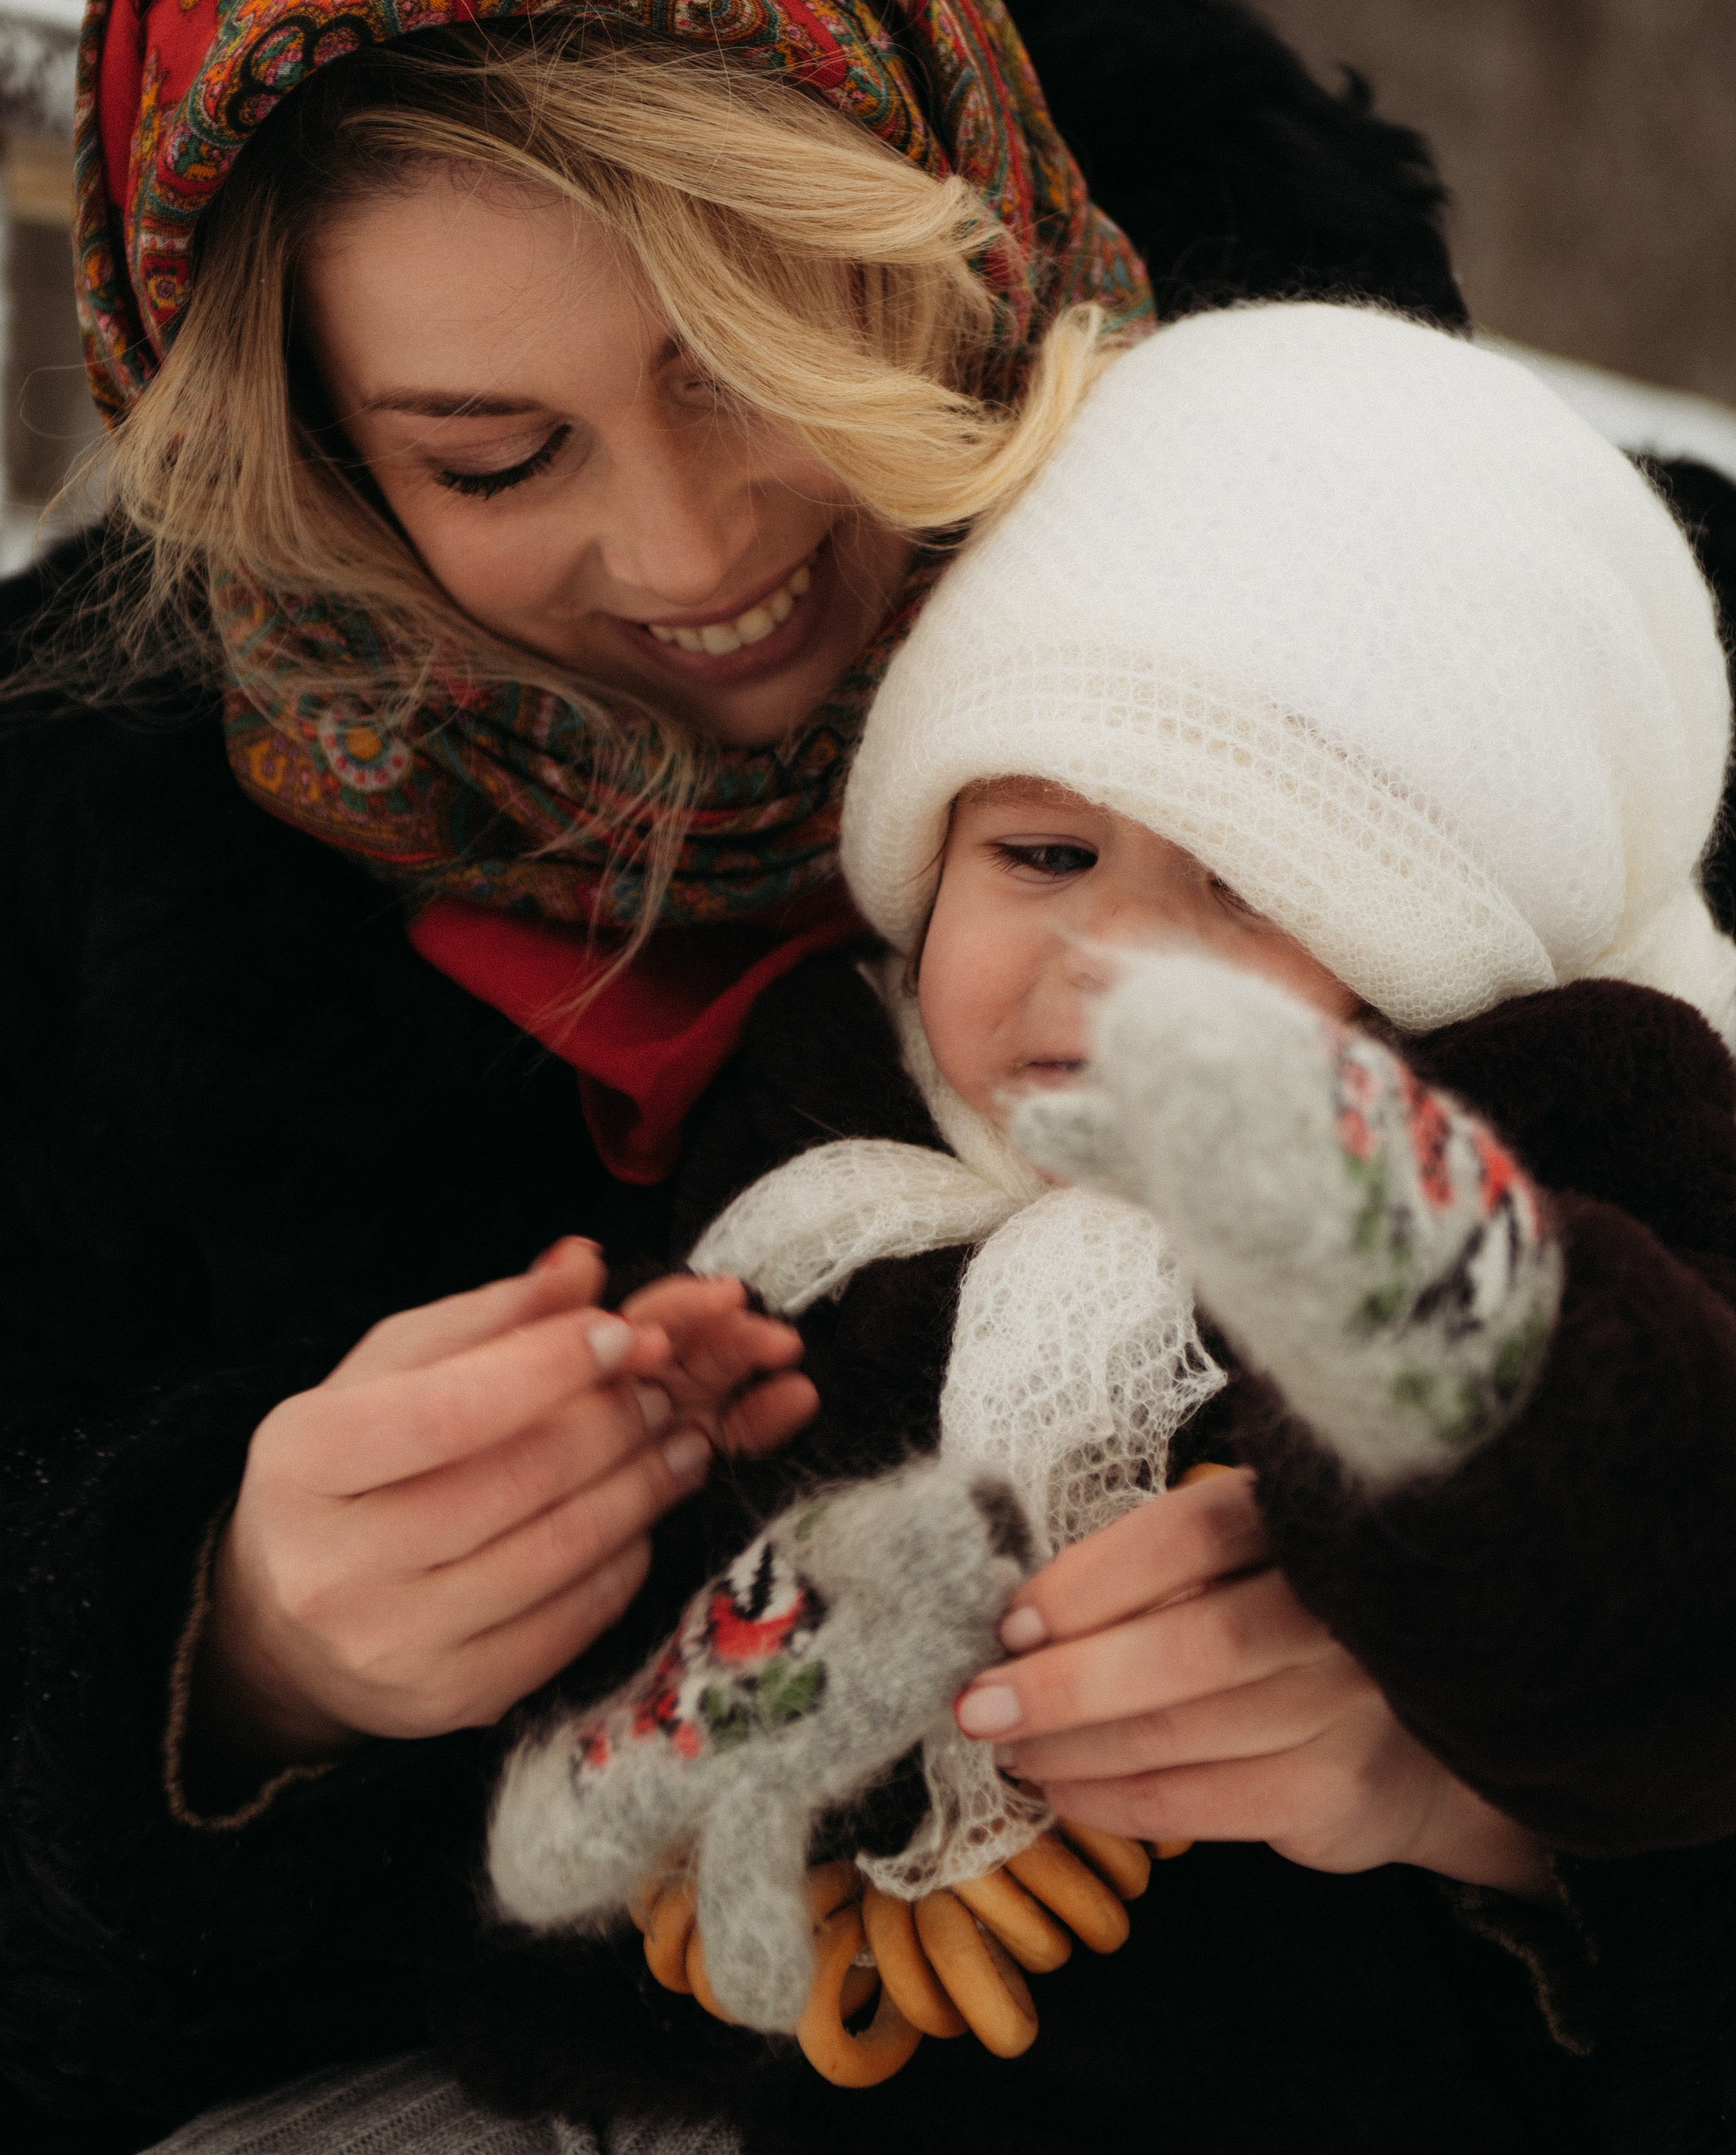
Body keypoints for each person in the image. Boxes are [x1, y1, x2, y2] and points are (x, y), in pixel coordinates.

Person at [0, 0, 1693, 2155]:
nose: (692, 559)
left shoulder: (1485, 637)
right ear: (319, 459)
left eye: (749, 357)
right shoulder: (103, 908)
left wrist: (1516, 1805)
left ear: (938, 224)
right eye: (498, 455)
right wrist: (236, 1666)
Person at [448, 305, 1736, 2155]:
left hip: (1365, 2081)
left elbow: (1682, 1635)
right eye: (1044, 856)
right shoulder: (831, 1134)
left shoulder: (1588, 1113)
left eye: (1252, 886)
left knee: (1567, 1486)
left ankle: (1436, 1334)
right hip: (827, 2066)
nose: (1107, 954)